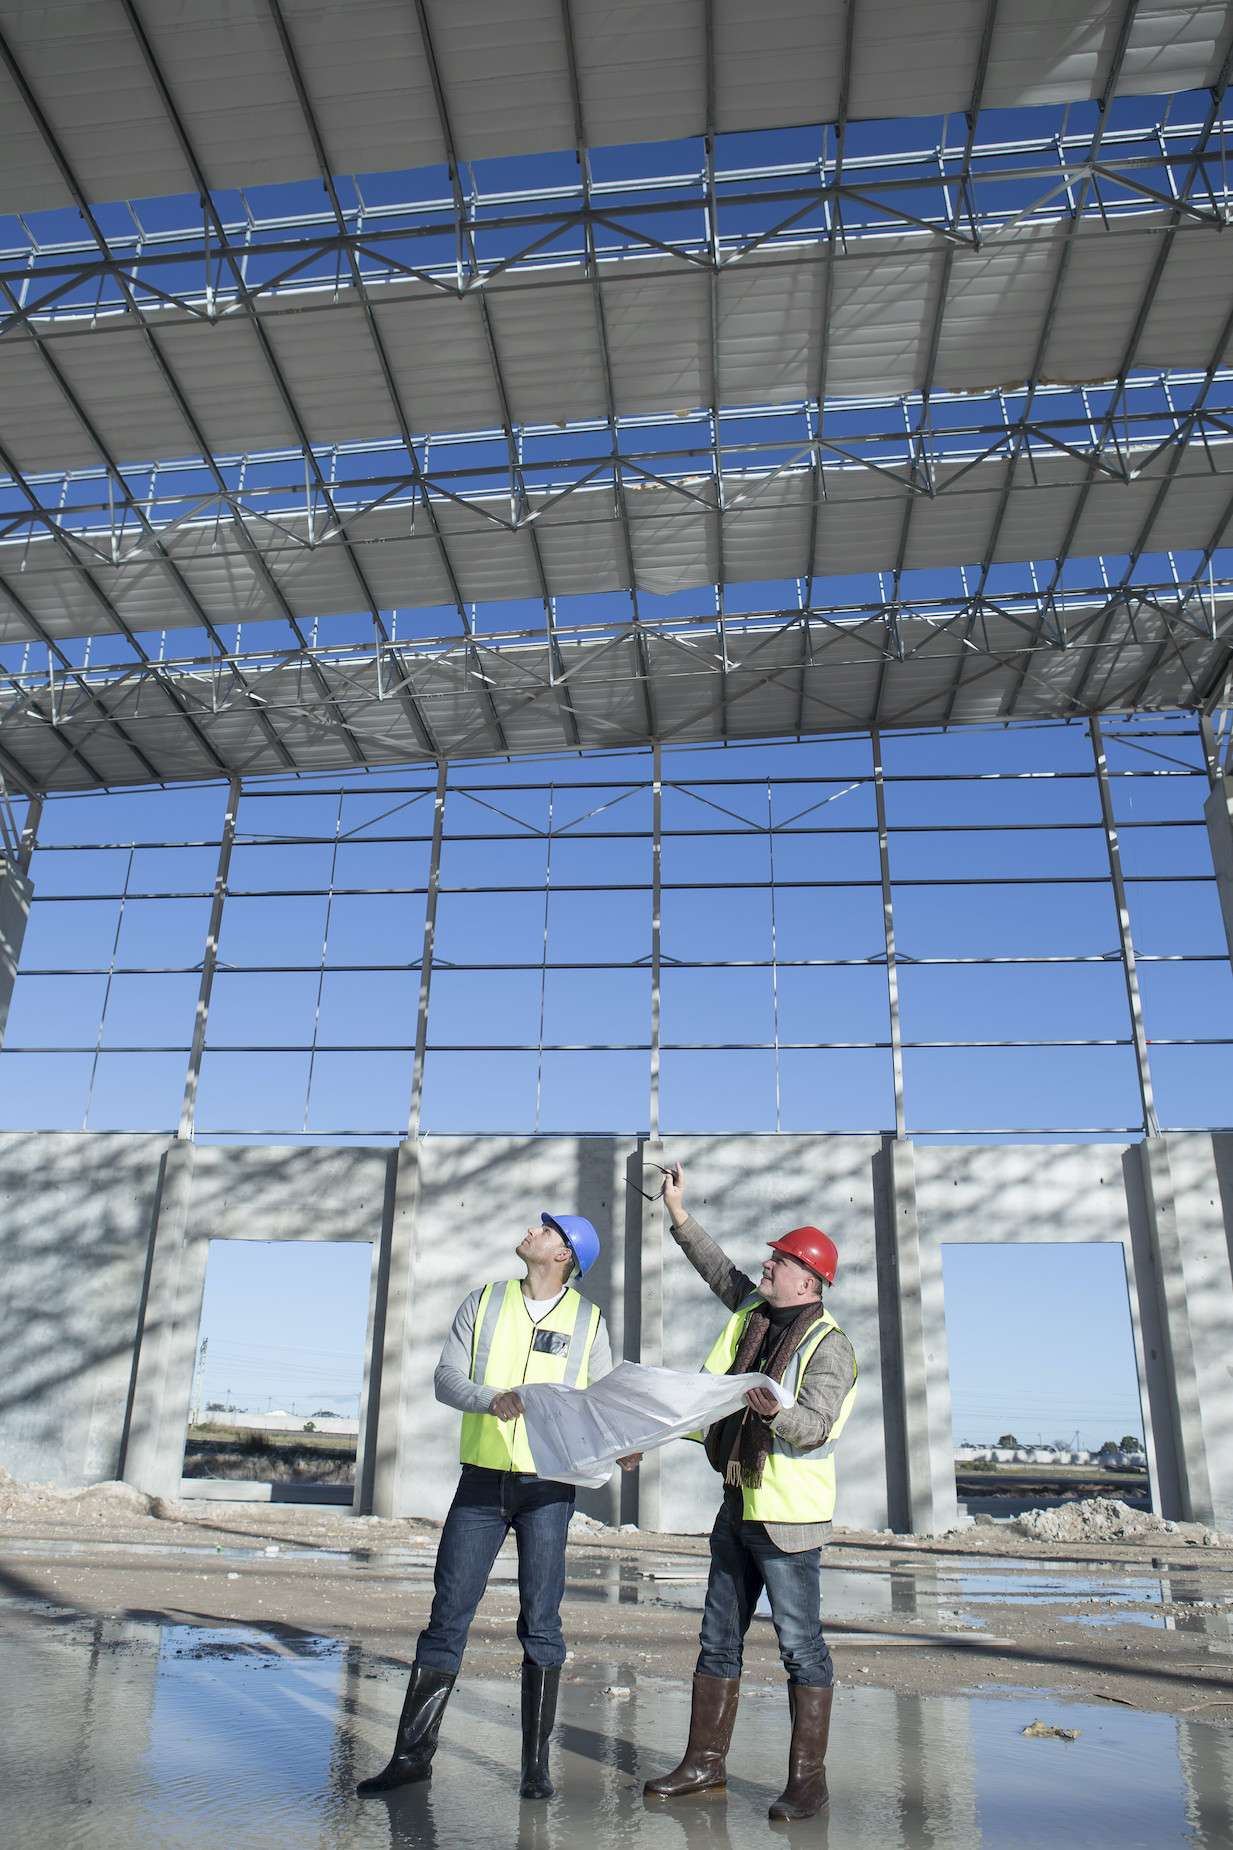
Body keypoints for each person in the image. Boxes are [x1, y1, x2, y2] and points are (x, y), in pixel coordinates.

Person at [357, 1210, 640, 1803]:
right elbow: (444, 1378)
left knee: (541, 1622)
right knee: (447, 1616)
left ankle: (535, 1770)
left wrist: (623, 1448)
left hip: (548, 1490)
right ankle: (411, 1760)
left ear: (565, 1256)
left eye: (546, 1230)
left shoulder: (589, 1322)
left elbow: (606, 1402)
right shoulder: (483, 1301)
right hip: (482, 1485)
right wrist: (492, 1399)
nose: (531, 1231)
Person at [642, 1162, 857, 1822]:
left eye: (781, 1259)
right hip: (737, 1502)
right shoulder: (753, 1316)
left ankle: (807, 1782)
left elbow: (815, 1427)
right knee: (717, 1641)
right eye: (771, 1257)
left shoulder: (829, 1347)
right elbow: (719, 1271)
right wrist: (677, 1213)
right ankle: (704, 1766)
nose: (767, 1265)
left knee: (799, 1647)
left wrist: (768, 1410)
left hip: (788, 1522)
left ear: (809, 1280)